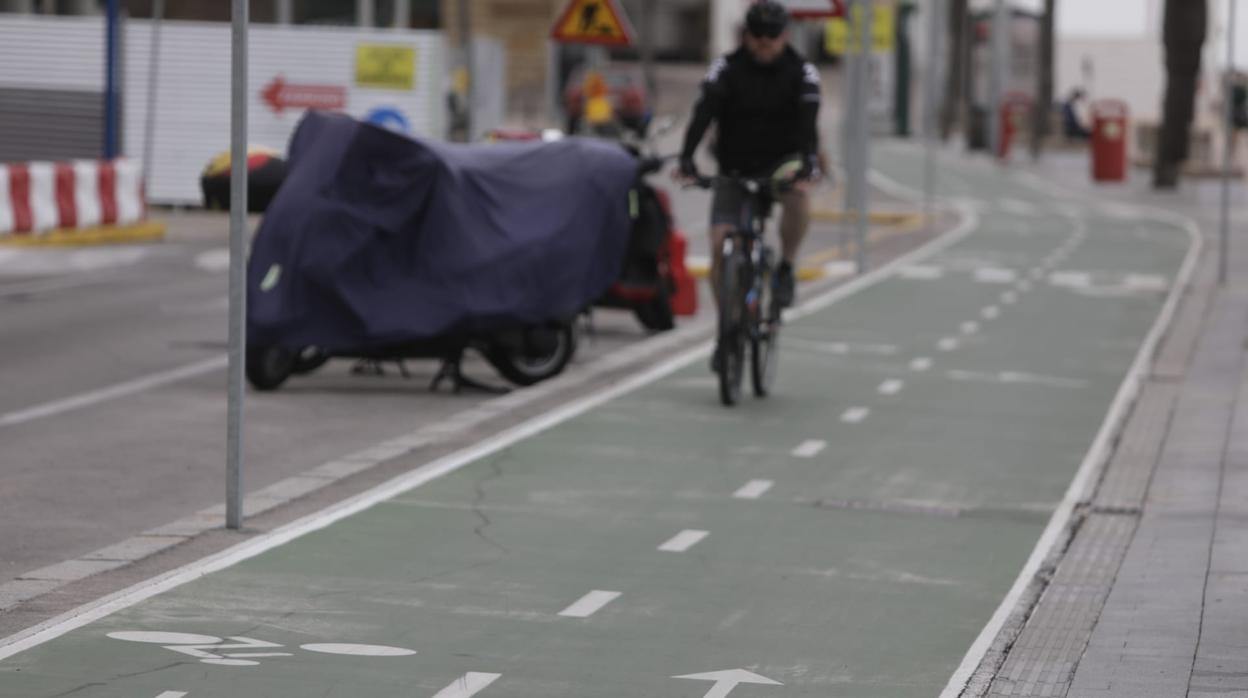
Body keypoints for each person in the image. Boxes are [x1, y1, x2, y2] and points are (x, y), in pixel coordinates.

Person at [674, 0, 821, 360]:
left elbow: (808, 125)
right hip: (735, 165)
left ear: (785, 35)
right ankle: (729, 327)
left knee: (799, 199)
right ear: (746, 35)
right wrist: (687, 157)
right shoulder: (727, 68)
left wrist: (808, 165)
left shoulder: (801, 72)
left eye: (772, 36)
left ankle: (785, 265)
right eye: (757, 35)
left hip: (781, 163)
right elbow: (703, 111)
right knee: (720, 245)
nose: (764, 43)